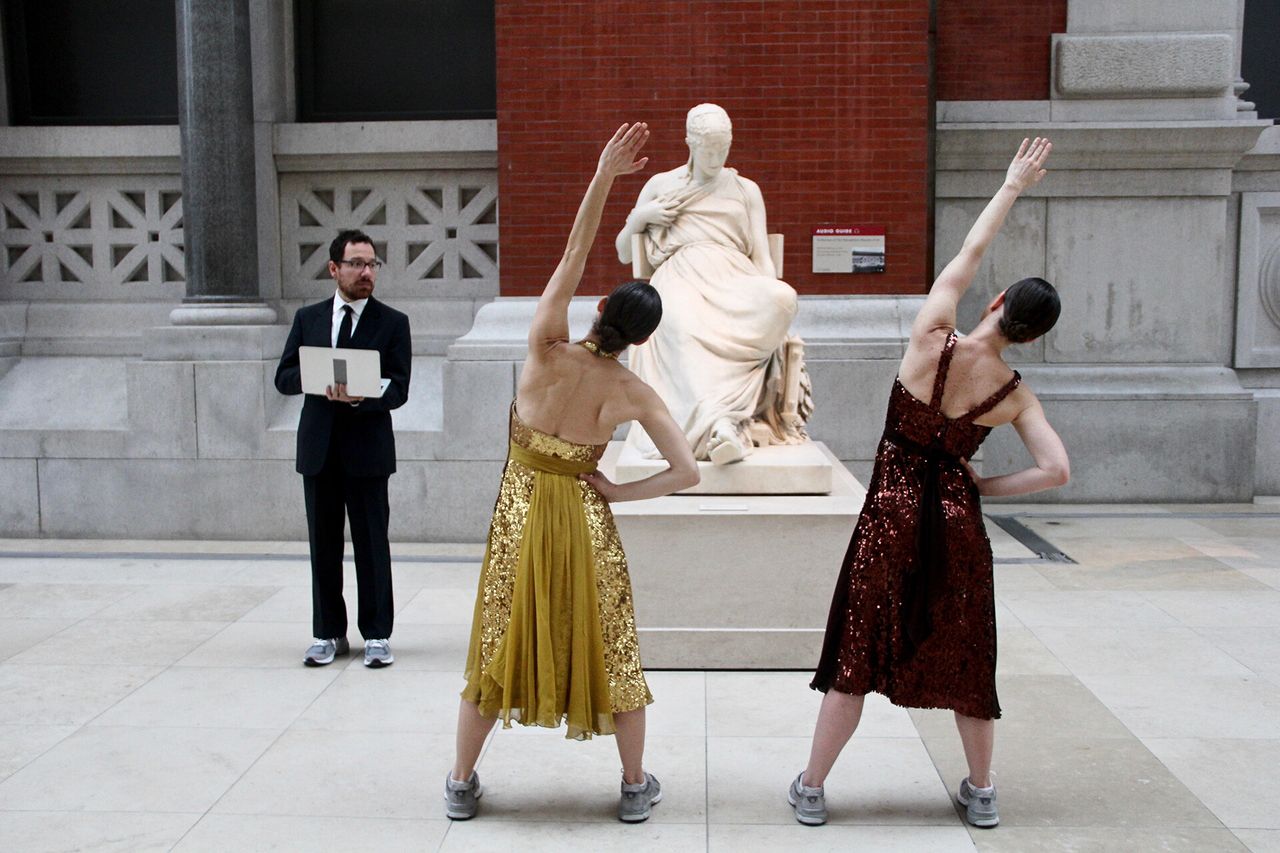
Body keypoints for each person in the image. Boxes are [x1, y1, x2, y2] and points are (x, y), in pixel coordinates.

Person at [792, 138, 1067, 829]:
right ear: (1030, 338)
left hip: (890, 511)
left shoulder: (931, 336)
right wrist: (984, 487)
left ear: (999, 301)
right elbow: (1057, 469)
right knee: (967, 653)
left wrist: (1010, 186)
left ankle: (814, 786)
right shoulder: (1015, 394)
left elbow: (966, 257)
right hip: (954, 522)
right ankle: (980, 790)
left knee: (857, 650)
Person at [445, 123, 699, 824]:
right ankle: (633, 784)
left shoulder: (545, 346)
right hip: (587, 521)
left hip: (521, 514)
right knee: (612, 645)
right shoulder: (632, 393)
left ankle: (462, 782)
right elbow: (687, 471)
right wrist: (618, 489)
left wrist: (603, 175)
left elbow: (572, 251)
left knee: (496, 639)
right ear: (643, 339)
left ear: (598, 310)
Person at [615, 103, 801, 465]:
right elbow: (624, 252)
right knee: (681, 326)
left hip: (734, 276)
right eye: (709, 148)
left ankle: (722, 424)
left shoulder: (746, 190)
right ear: (690, 143)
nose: (716, 157)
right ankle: (720, 425)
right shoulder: (661, 185)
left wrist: (770, 295)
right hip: (681, 275)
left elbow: (761, 255)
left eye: (723, 148)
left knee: (783, 297)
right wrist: (641, 217)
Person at [274, 229, 412, 669]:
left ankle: (376, 635)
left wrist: (363, 396)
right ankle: (328, 632)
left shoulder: (393, 322)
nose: (366, 272)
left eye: (372, 264)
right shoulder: (309, 319)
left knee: (373, 544)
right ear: (334, 269)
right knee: (324, 544)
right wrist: (315, 380)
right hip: (319, 448)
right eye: (356, 263)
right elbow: (284, 377)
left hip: (368, 449)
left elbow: (400, 388)